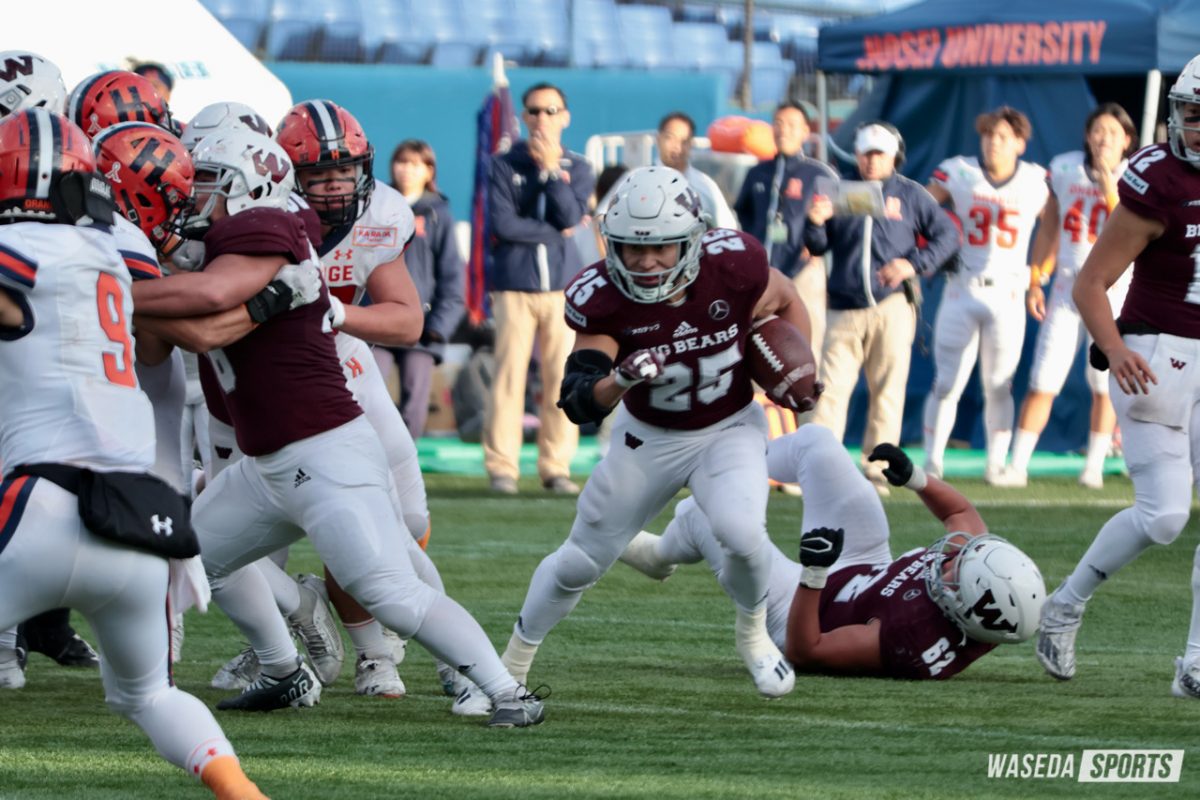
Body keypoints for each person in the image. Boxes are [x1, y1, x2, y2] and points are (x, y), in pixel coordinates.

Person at [134, 128, 543, 726]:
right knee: (197, 559)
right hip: (269, 463)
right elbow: (181, 335)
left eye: (205, 184)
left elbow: (212, 297)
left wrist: (111, 286)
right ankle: (285, 672)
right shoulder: (230, 238)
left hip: (324, 451)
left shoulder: (263, 227)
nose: (192, 198)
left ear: (246, 186)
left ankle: (509, 691)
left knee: (391, 593)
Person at [0, 107, 268, 799]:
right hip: (138, 521)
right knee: (150, 699)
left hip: (41, 503)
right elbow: (149, 342)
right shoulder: (110, 252)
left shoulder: (22, 247)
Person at [499, 166, 812, 698]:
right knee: (579, 561)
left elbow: (785, 300)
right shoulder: (603, 297)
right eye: (630, 248)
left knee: (742, 533)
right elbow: (578, 398)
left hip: (729, 425)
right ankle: (508, 669)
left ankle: (754, 635)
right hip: (648, 437)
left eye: (663, 248)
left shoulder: (733, 264)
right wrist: (617, 380)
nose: (645, 261)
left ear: (692, 240)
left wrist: (793, 366)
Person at [618, 425, 1046, 679]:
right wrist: (916, 478)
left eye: (955, 575)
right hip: (867, 566)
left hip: (801, 611)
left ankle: (658, 557)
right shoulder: (978, 594)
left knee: (701, 513)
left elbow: (808, 650)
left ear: (964, 612)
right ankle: (715, 463)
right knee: (817, 444)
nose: (949, 562)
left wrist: (815, 573)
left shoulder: (912, 638)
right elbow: (961, 513)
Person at [1037, 55, 1200, 699]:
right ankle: (1066, 605)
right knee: (1163, 518)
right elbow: (1088, 284)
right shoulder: (1159, 182)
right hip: (1155, 353)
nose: (1199, 128)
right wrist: (1114, 346)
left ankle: (1194, 662)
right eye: (1193, 114)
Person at [804, 122, 960, 495]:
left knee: (887, 390)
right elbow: (819, 245)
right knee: (830, 391)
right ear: (856, 155)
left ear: (894, 156)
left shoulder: (911, 194)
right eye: (866, 153)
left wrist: (914, 264)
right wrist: (814, 223)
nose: (872, 161)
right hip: (843, 307)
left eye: (879, 154)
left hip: (891, 305)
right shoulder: (839, 191)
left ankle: (878, 471)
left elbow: (949, 235)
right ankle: (821, 468)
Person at [1005, 104, 1138, 489]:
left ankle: (1094, 464)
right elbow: (1050, 227)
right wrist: (1036, 278)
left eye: (1113, 132)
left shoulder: (1134, 176)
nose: (1104, 139)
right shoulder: (1064, 168)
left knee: (1103, 382)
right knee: (1043, 377)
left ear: (1127, 140)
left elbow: (1125, 226)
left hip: (1112, 290)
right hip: (1066, 286)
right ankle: (1017, 464)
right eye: (1098, 130)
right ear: (1086, 134)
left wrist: (1107, 184)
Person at [922, 106, 1050, 485]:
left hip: (1008, 293)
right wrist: (933, 245)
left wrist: (1037, 276)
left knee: (999, 384)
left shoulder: (1035, 180)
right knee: (946, 382)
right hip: (962, 289)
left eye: (1003, 136)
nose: (994, 143)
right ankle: (932, 461)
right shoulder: (959, 171)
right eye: (988, 135)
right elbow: (924, 208)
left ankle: (996, 463)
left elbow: (1054, 226)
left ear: (1020, 144)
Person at [484, 81, 594, 495]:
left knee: (560, 378)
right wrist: (555, 232)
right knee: (509, 377)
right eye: (533, 111)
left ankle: (555, 465)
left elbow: (570, 212)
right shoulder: (503, 164)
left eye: (550, 111)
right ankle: (502, 466)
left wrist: (550, 172)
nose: (541, 119)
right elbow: (504, 225)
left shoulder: (579, 167)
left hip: (562, 289)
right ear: (524, 116)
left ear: (565, 117)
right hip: (514, 285)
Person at [735, 101, 837, 368]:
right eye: (778, 124)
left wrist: (815, 240)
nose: (784, 131)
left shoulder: (819, 173)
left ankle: (805, 406)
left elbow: (836, 224)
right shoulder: (757, 172)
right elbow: (743, 212)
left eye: (792, 125)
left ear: (805, 131)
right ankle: (764, 408)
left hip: (803, 272)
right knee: (758, 345)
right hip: (762, 275)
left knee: (806, 348)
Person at [388, 139, 465, 438]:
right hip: (377, 319)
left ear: (429, 170)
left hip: (421, 325)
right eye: (402, 161)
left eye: (415, 164)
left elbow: (451, 277)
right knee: (367, 394)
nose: (407, 170)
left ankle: (405, 464)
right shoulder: (375, 204)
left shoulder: (438, 213)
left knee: (414, 401)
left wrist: (438, 327)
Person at [656, 111, 737, 229]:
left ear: (691, 144)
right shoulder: (637, 181)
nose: (676, 146)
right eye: (670, 138)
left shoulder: (705, 185)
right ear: (658, 139)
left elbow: (728, 229)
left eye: (684, 141)